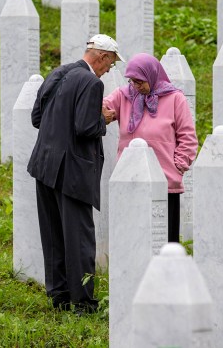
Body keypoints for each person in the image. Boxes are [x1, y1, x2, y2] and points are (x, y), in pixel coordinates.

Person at [27, 34, 123, 313]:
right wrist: (103, 119)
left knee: (53, 233)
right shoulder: (93, 83)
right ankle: (83, 303)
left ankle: (59, 295)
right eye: (111, 64)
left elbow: (37, 118)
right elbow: (85, 128)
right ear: (102, 57)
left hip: (44, 165)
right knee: (80, 236)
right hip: (73, 171)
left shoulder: (58, 73)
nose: (109, 70)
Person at [102, 53, 198, 243]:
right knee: (134, 240)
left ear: (152, 75)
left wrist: (177, 165)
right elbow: (101, 106)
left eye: (140, 82)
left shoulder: (175, 98)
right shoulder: (124, 95)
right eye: (132, 81)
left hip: (165, 180)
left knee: (163, 239)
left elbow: (188, 136)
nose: (136, 87)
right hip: (130, 178)